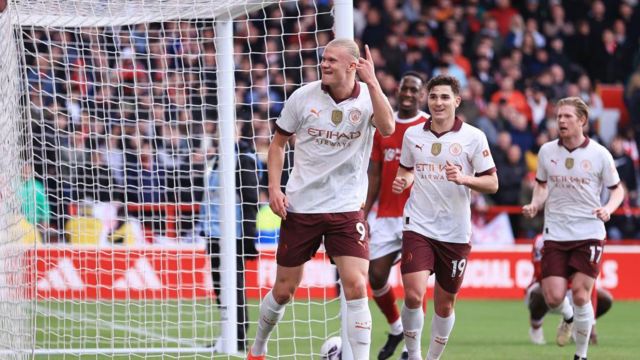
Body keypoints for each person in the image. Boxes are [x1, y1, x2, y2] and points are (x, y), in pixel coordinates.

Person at [247, 38, 394, 360]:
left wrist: (373, 83)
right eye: (323, 59)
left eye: (331, 60)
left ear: (352, 66)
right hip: (302, 207)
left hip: (346, 208)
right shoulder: (304, 96)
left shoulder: (369, 98)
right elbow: (277, 144)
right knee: (284, 289)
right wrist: (274, 188)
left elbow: (387, 127)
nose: (324, 64)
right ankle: (257, 348)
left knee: (356, 284)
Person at [392, 75, 498, 360]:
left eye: (444, 97)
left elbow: (492, 183)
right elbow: (406, 170)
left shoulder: (473, 137)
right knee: (413, 295)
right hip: (418, 225)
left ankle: (432, 358)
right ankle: (412, 355)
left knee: (444, 305)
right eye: (434, 97)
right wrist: (403, 180)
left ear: (456, 101)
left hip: (455, 231)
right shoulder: (413, 134)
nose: (438, 102)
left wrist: (464, 178)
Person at [522, 96, 624, 360]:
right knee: (554, 297)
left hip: (588, 232)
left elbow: (617, 190)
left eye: (567, 116)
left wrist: (608, 209)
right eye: (559, 116)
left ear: (582, 121)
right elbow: (542, 185)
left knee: (580, 294)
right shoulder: (547, 151)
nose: (562, 121)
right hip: (555, 232)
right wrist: (535, 204)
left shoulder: (600, 154)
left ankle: (581, 355)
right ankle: (567, 317)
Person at [363, 71, 429, 360]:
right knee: (375, 275)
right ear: (398, 89)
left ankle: (409, 349)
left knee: (414, 288)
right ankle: (395, 328)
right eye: (405, 88)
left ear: (421, 94)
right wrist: (362, 213)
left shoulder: (427, 126)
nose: (409, 94)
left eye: (415, 90)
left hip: (420, 216)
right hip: (387, 216)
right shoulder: (383, 124)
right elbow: (374, 175)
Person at [200, 132, 260, 352]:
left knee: (233, 284)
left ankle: (238, 336)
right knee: (220, 285)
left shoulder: (243, 158)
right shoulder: (217, 158)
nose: (218, 132)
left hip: (233, 233)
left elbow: (250, 199)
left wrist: (248, 235)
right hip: (213, 231)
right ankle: (229, 333)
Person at [525, 235, 613, 346]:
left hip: (573, 292)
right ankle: (536, 327)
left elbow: (591, 287)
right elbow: (540, 273)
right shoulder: (542, 240)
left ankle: (574, 324)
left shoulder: (585, 239)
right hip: (549, 288)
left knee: (605, 299)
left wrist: (592, 325)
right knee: (539, 293)